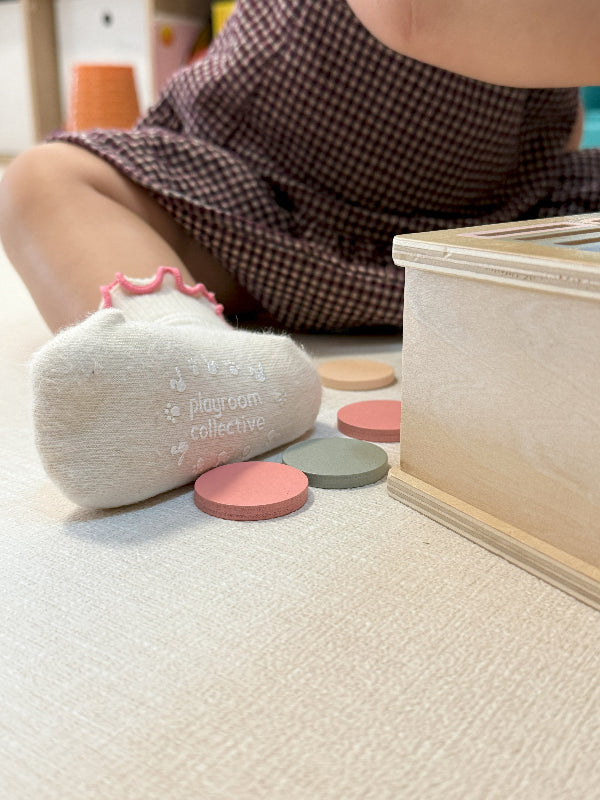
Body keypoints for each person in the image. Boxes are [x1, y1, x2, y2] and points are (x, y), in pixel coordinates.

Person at [0, 0, 598, 508]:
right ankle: (192, 352)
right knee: (44, 179)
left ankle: (207, 363)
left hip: (471, 224)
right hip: (248, 192)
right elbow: (415, 16)